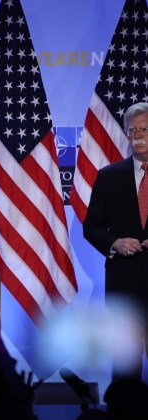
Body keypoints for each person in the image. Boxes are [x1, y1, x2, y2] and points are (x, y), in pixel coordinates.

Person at [83, 101, 148, 381]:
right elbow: (92, 227)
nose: (137, 136)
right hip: (125, 287)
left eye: (144, 129)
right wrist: (115, 243)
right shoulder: (109, 177)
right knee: (126, 372)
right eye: (132, 130)